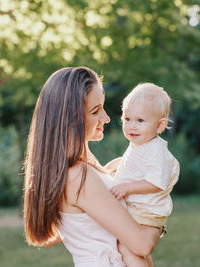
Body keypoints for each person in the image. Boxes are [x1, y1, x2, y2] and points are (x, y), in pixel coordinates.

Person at [23, 67, 161, 267]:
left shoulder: (80, 171)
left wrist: (107, 180)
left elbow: (78, 223)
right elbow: (142, 245)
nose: (105, 118)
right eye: (95, 111)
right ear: (70, 119)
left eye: (102, 107)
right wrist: (160, 209)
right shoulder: (78, 176)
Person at [106, 83, 180, 267]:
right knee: (135, 252)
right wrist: (111, 166)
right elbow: (131, 163)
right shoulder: (142, 144)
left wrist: (127, 187)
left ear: (160, 125)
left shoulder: (156, 151)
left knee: (125, 247)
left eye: (140, 120)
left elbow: (156, 182)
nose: (132, 126)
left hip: (145, 213)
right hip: (138, 210)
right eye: (127, 118)